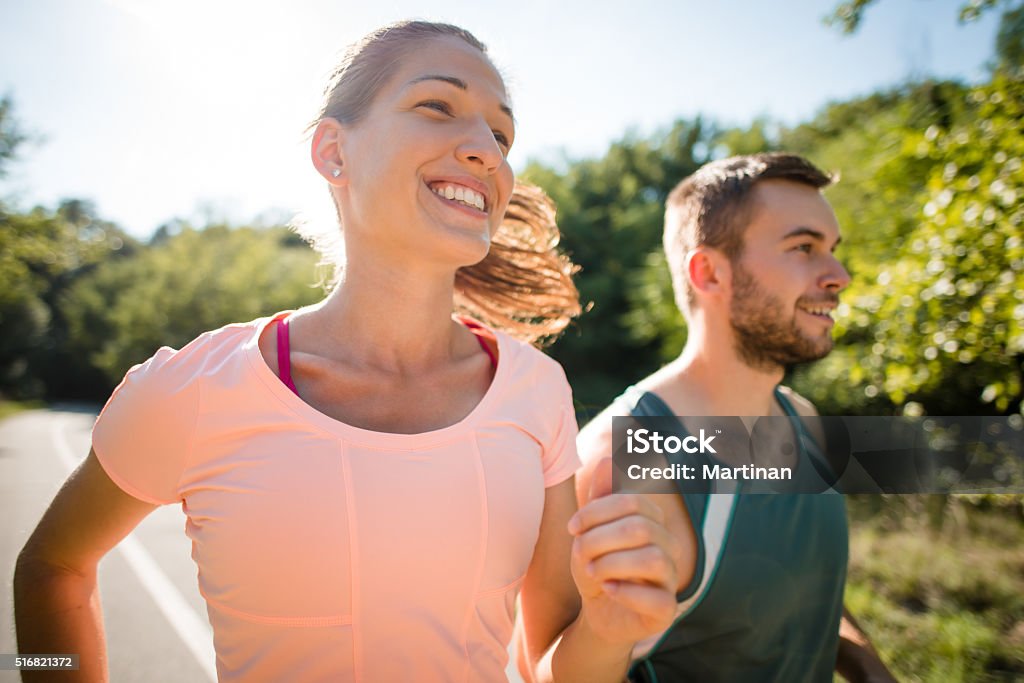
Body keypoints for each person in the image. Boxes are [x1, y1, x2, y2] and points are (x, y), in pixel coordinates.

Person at [14, 21, 678, 683]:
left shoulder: (538, 390)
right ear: (334, 151)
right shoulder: (195, 386)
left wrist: (606, 631)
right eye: (437, 106)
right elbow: (50, 567)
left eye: (501, 134)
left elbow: (552, 667)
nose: (486, 150)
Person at [576, 153, 898, 682]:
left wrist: (865, 664)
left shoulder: (803, 420)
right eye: (803, 248)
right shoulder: (626, 456)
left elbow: (800, 591)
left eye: (833, 251)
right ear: (709, 272)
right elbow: (552, 668)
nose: (839, 276)